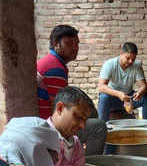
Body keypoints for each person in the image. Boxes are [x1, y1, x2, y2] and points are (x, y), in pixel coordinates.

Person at [37, 24, 107, 155]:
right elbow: (58, 108)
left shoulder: (50, 62)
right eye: (69, 43)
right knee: (98, 127)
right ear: (56, 44)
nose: (75, 48)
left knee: (91, 113)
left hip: (44, 120)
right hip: (47, 126)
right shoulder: (55, 68)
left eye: (77, 44)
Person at [97, 42, 147, 122]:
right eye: (128, 58)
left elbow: (143, 86)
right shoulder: (109, 64)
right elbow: (101, 87)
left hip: (129, 98)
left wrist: (139, 93)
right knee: (104, 97)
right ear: (121, 54)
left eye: (133, 59)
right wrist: (119, 94)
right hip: (114, 99)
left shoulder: (136, 65)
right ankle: (102, 128)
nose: (131, 61)